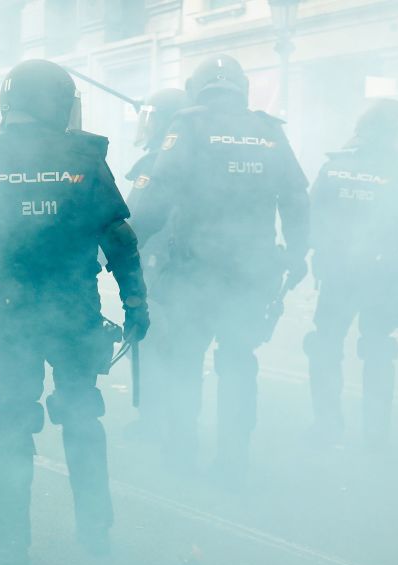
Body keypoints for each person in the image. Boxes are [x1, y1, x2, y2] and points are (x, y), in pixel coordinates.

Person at [0, 59, 149, 565]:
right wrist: (136, 303)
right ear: (58, 103)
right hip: (75, 314)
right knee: (82, 417)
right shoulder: (84, 155)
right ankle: (96, 533)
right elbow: (119, 238)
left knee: (12, 425)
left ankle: (9, 541)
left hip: (14, 320)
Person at [129, 55, 310, 485]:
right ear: (241, 88)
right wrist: (299, 255)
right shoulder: (270, 132)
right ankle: (232, 462)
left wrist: (127, 240)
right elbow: (298, 199)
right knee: (238, 364)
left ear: (199, 88)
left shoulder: (188, 126)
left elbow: (158, 194)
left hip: (195, 272)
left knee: (185, 361)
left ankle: (181, 451)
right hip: (251, 274)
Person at [304, 99, 398, 449]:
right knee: (378, 354)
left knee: (326, 347)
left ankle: (327, 426)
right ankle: (376, 436)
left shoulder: (334, 168)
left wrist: (311, 256)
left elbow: (309, 217)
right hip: (382, 277)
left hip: (337, 275)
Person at [122, 87, 189, 442]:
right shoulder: (197, 158)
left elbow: (132, 220)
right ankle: (180, 428)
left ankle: (152, 424)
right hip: (186, 270)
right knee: (181, 351)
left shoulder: (158, 164)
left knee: (150, 348)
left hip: (156, 268)